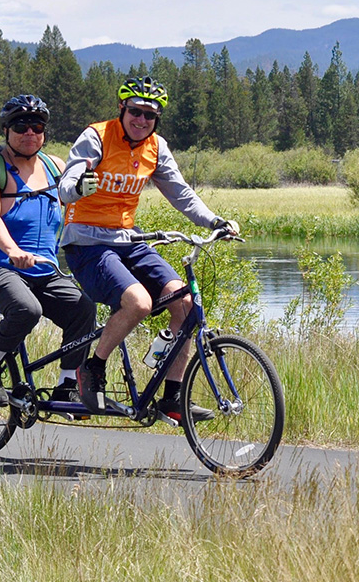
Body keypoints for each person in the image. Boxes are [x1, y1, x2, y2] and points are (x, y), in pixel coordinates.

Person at [58, 76, 238, 419]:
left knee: (184, 303)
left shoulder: (156, 146)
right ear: (122, 110)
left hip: (128, 238)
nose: (141, 121)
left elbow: (180, 193)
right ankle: (92, 370)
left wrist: (215, 222)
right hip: (87, 242)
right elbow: (67, 183)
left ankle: (172, 396)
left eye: (150, 116)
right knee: (138, 302)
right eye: (135, 112)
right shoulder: (97, 136)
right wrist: (79, 186)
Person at [0, 95, 97, 407]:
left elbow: (79, 207)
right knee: (27, 309)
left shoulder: (56, 166)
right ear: (7, 130)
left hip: (42, 268)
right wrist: (12, 250)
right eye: (21, 125)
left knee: (83, 310)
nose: (30, 133)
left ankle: (66, 386)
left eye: (37, 126)